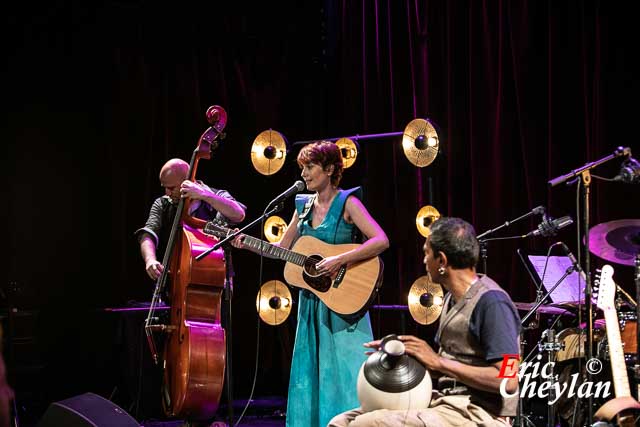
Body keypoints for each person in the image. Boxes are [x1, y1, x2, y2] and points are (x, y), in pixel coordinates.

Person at [232, 141, 389, 427]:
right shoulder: (302, 207)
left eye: (310, 167)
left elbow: (380, 240)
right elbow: (282, 247)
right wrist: (248, 245)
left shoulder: (348, 203)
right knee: (311, 374)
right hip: (312, 304)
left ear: (330, 169)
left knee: (346, 373)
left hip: (344, 303)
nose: (304, 174)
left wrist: (339, 259)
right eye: (302, 168)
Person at [329, 217, 521, 427]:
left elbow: (508, 380)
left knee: (366, 424)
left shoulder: (492, 304)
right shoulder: (451, 298)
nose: (423, 261)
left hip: (478, 413)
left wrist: (438, 362)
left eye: (426, 253)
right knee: (341, 422)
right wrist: (407, 354)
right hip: (444, 402)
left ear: (442, 261)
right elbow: (450, 366)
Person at [135, 158, 246, 281]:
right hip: (176, 281)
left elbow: (239, 214)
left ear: (188, 182)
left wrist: (205, 195)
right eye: (165, 187)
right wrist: (150, 259)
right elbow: (148, 234)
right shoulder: (162, 203)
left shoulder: (216, 196)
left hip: (215, 279)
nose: (167, 192)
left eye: (171, 188)